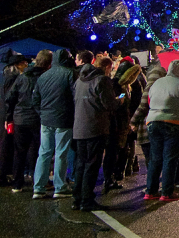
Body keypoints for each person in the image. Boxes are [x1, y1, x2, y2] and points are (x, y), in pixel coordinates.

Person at [144, 60, 179, 202]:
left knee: (155, 158)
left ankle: (150, 190)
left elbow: (150, 101)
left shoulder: (157, 83)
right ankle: (167, 192)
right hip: (175, 123)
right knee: (170, 158)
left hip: (154, 121)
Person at [72, 56, 123, 211]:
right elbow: (110, 105)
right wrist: (120, 100)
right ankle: (87, 200)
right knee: (92, 164)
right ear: (107, 67)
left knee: (81, 163)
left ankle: (77, 198)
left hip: (79, 127)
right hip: (95, 127)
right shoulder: (101, 81)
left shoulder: (79, 80)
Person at [31, 49, 78, 199]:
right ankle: (59, 186)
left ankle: (38, 187)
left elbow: (35, 100)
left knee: (44, 153)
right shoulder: (70, 74)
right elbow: (75, 97)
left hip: (46, 120)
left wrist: (42, 113)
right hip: (63, 119)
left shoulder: (43, 76)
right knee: (61, 153)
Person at [7, 50, 52, 192]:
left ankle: (17, 183)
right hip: (38, 118)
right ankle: (37, 181)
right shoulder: (46, 78)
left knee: (19, 152)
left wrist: (9, 117)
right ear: (49, 63)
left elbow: (10, 97)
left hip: (20, 118)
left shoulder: (23, 76)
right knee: (38, 151)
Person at [102, 59, 140, 192]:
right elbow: (118, 102)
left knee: (120, 151)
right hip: (115, 124)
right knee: (112, 152)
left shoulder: (125, 86)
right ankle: (109, 177)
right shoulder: (115, 85)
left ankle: (115, 175)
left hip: (123, 123)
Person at [130, 62, 166, 172]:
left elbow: (143, 106)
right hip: (164, 125)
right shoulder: (166, 87)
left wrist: (133, 121)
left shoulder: (150, 87)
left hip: (148, 125)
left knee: (150, 158)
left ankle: (151, 185)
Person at [0, 54, 27, 186]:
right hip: (7, 116)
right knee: (5, 146)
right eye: (24, 63)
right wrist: (9, 117)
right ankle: (2, 175)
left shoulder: (5, 76)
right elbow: (9, 99)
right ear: (18, 65)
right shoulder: (13, 78)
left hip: (4, 115)